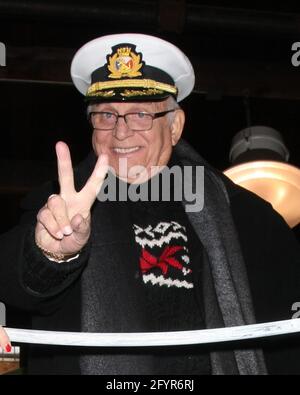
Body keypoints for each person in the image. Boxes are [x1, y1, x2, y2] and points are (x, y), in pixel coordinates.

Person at [0, 33, 300, 375]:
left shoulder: (246, 216)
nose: (121, 132)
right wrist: (50, 254)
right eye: (106, 116)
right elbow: (12, 287)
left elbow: (287, 335)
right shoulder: (56, 203)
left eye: (141, 114)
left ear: (174, 126)